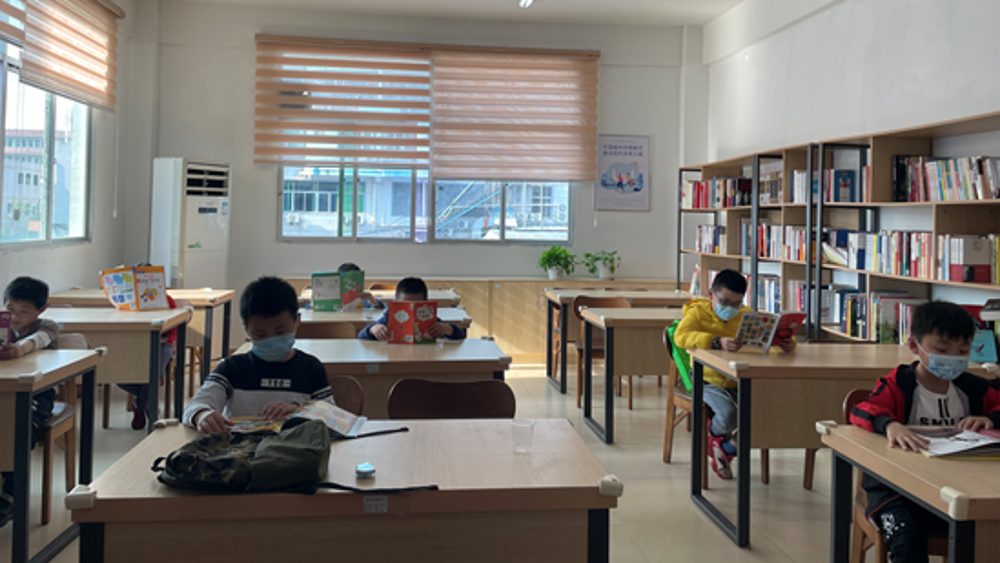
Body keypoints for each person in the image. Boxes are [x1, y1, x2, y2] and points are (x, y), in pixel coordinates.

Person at [851, 301, 1000, 563]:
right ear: (914, 346)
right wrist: (890, 425)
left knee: (986, 532)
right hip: (896, 490)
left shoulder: (974, 388)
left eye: (962, 351)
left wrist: (989, 418)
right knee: (907, 538)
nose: (952, 358)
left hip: (960, 487)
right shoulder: (900, 383)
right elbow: (861, 410)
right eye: (942, 350)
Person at [674, 269, 795, 480]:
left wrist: (787, 344)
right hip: (708, 379)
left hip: (739, 379)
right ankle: (716, 434)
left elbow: (763, 342)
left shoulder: (746, 316)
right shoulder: (697, 313)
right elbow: (681, 337)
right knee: (730, 415)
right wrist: (715, 341)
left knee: (765, 416)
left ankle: (725, 448)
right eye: (724, 301)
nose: (730, 308)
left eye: (736, 304)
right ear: (711, 294)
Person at [182, 276, 334, 434]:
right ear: (246, 329)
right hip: (241, 447)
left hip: (294, 447)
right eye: (260, 334)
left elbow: (334, 419)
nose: (271, 340)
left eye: (280, 331)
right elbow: (194, 406)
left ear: (297, 321)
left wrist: (300, 412)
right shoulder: (231, 369)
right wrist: (202, 415)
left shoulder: (311, 369)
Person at [0, 277, 61, 528]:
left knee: (19, 429)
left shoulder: (48, 326)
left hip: (39, 393)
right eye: (10, 309)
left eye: (24, 311)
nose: (15, 317)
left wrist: (19, 350)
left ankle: (11, 493)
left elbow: (37, 340)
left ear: (41, 310)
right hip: (5, 390)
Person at [118, 263, 178, 430]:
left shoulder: (167, 300)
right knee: (116, 371)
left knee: (154, 372)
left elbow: (173, 330)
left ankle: (140, 406)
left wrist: (166, 338)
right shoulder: (128, 301)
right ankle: (146, 403)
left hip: (163, 343)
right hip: (134, 343)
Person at [357, 277, 467, 341]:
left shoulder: (429, 318)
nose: (411, 310)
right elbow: (361, 337)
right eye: (404, 305)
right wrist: (372, 329)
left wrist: (447, 329)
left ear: (425, 305)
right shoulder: (390, 317)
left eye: (417, 306)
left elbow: (461, 335)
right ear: (395, 303)